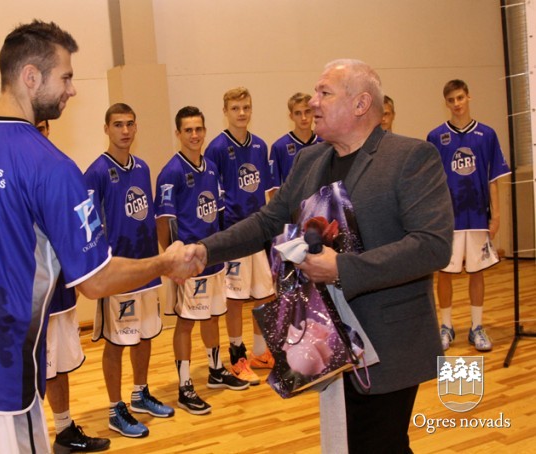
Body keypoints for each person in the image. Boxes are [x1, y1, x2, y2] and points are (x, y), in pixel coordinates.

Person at [0, 20, 196, 453]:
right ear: (31, 76)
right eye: (65, 77)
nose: (72, 90)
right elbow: (96, 280)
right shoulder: (52, 167)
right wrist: (165, 263)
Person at [185, 59, 454, 453]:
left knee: (377, 443)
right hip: (326, 335)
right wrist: (204, 250)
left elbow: (432, 245)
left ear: (361, 104)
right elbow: (267, 221)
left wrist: (341, 268)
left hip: (388, 339)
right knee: (351, 442)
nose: (313, 102)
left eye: (324, 93)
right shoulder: (310, 160)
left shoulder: (411, 157)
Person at [85, 103, 174, 439]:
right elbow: (89, 225)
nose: (125, 130)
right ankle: (114, 409)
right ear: (106, 128)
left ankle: (140, 393)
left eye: (130, 124)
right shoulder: (95, 172)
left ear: (136, 127)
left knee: (145, 334)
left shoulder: (143, 168)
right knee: (116, 342)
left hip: (145, 266)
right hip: (117, 273)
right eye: (118, 124)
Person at [155, 106, 249, 415]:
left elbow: (219, 213)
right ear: (178, 133)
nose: (194, 135)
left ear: (205, 131)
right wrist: (173, 260)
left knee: (212, 316)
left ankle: (215, 370)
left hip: (212, 259)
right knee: (186, 322)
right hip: (188, 264)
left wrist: (220, 250)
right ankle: (184, 387)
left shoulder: (210, 167)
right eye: (188, 130)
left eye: (199, 129)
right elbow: (164, 222)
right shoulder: (171, 173)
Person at [37, 120, 110, 453]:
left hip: (61, 290)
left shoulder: (61, 170)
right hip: (30, 297)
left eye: (43, 127)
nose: (40, 133)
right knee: (34, 370)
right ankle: (29, 438)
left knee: (60, 364)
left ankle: (64, 430)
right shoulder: (11, 175)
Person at [427, 79, 510, 352]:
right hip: (447, 218)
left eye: (460, 98)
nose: (457, 104)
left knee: (477, 271)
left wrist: (496, 216)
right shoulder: (436, 137)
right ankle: (446, 326)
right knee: (445, 273)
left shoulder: (487, 135)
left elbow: (493, 179)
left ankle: (476, 327)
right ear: (446, 103)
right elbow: (431, 183)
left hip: (476, 215)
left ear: (468, 97)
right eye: (451, 100)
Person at [203, 87, 277, 385]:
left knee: (265, 293)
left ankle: (261, 352)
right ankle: (237, 356)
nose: (242, 113)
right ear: (225, 111)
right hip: (233, 234)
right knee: (234, 299)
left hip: (258, 232)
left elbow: (267, 191)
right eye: (235, 108)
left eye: (246, 107)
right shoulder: (216, 149)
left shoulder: (260, 146)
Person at [270, 92, 321, 185]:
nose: (303, 118)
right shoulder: (279, 147)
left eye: (307, 111)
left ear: (313, 112)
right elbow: (274, 188)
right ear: (291, 116)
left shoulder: (325, 143)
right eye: (298, 113)